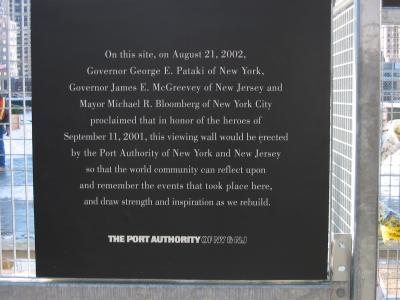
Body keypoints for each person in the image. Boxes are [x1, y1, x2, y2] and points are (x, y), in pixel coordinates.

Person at [0, 96, 10, 172]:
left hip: (0, 126)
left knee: (0, 146)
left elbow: (7, 114)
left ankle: (1, 165)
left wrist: (8, 127)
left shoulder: (3, 100)